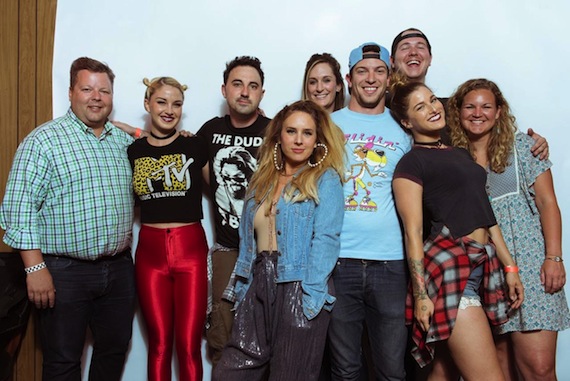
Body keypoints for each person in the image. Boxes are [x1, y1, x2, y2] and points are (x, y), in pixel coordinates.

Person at [0, 57, 136, 381]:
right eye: (87, 88)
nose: (96, 97)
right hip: (63, 271)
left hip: (118, 269)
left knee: (114, 352)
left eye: (104, 90)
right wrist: (34, 268)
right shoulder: (43, 141)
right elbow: (18, 208)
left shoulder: (123, 142)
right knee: (62, 360)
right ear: (71, 92)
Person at [390, 75, 524, 380]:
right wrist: (421, 294)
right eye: (420, 107)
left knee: (444, 374)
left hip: (480, 266)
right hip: (451, 272)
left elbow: (487, 216)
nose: (432, 108)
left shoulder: (460, 154)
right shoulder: (411, 164)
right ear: (407, 122)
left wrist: (510, 267)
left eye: (433, 99)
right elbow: (412, 232)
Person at [213, 100, 345, 381]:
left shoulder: (325, 179)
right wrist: (244, 288)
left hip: (300, 283)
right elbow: (247, 241)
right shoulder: (260, 180)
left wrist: (310, 294)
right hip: (257, 280)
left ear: (317, 140)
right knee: (231, 372)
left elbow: (326, 238)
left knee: (290, 374)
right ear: (278, 136)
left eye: (307, 133)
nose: (299, 140)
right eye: (291, 131)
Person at [447, 78, 570, 381]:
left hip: (530, 267)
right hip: (484, 273)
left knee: (538, 369)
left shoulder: (525, 148)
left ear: (499, 111)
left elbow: (547, 203)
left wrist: (554, 257)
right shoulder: (452, 158)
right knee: (500, 371)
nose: (478, 113)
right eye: (470, 106)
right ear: (458, 112)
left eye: (486, 106)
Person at [327, 42, 412, 381]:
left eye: (379, 71)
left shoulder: (403, 127)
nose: (371, 78)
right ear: (349, 78)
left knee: (391, 370)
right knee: (345, 370)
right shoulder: (328, 124)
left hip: (391, 263)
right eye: (362, 71)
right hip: (338, 261)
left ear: (390, 78)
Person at [127, 76, 209, 381]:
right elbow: (119, 131)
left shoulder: (194, 144)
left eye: (177, 104)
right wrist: (135, 130)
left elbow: (220, 188)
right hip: (150, 252)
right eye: (161, 101)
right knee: (159, 345)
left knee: (188, 346)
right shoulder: (133, 150)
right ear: (147, 104)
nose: (169, 110)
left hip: (190, 249)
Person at [196, 56, 270, 367]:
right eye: (237, 84)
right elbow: (169, 143)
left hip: (269, 251)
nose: (244, 92)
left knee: (267, 334)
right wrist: (133, 132)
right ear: (224, 89)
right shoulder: (209, 132)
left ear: (261, 94)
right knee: (222, 336)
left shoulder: (275, 131)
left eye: (252, 86)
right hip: (227, 251)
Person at [389, 27, 549, 159]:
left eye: (420, 47)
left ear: (430, 58)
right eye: (405, 48)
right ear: (392, 61)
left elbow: (488, 130)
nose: (413, 52)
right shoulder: (379, 107)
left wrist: (529, 144)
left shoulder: (448, 108)